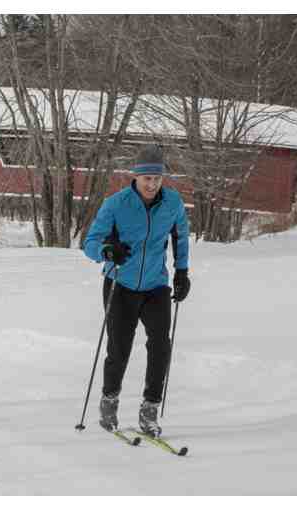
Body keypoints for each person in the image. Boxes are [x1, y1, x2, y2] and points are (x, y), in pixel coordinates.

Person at [83, 144, 190, 437]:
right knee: (119, 348)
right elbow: (89, 243)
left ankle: (150, 409)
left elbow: (181, 238)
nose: (152, 184)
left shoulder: (173, 203)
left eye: (157, 178)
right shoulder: (116, 204)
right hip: (121, 284)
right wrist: (108, 250)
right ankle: (109, 401)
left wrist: (182, 272)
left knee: (160, 346)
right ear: (136, 176)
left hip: (156, 284)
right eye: (147, 178)